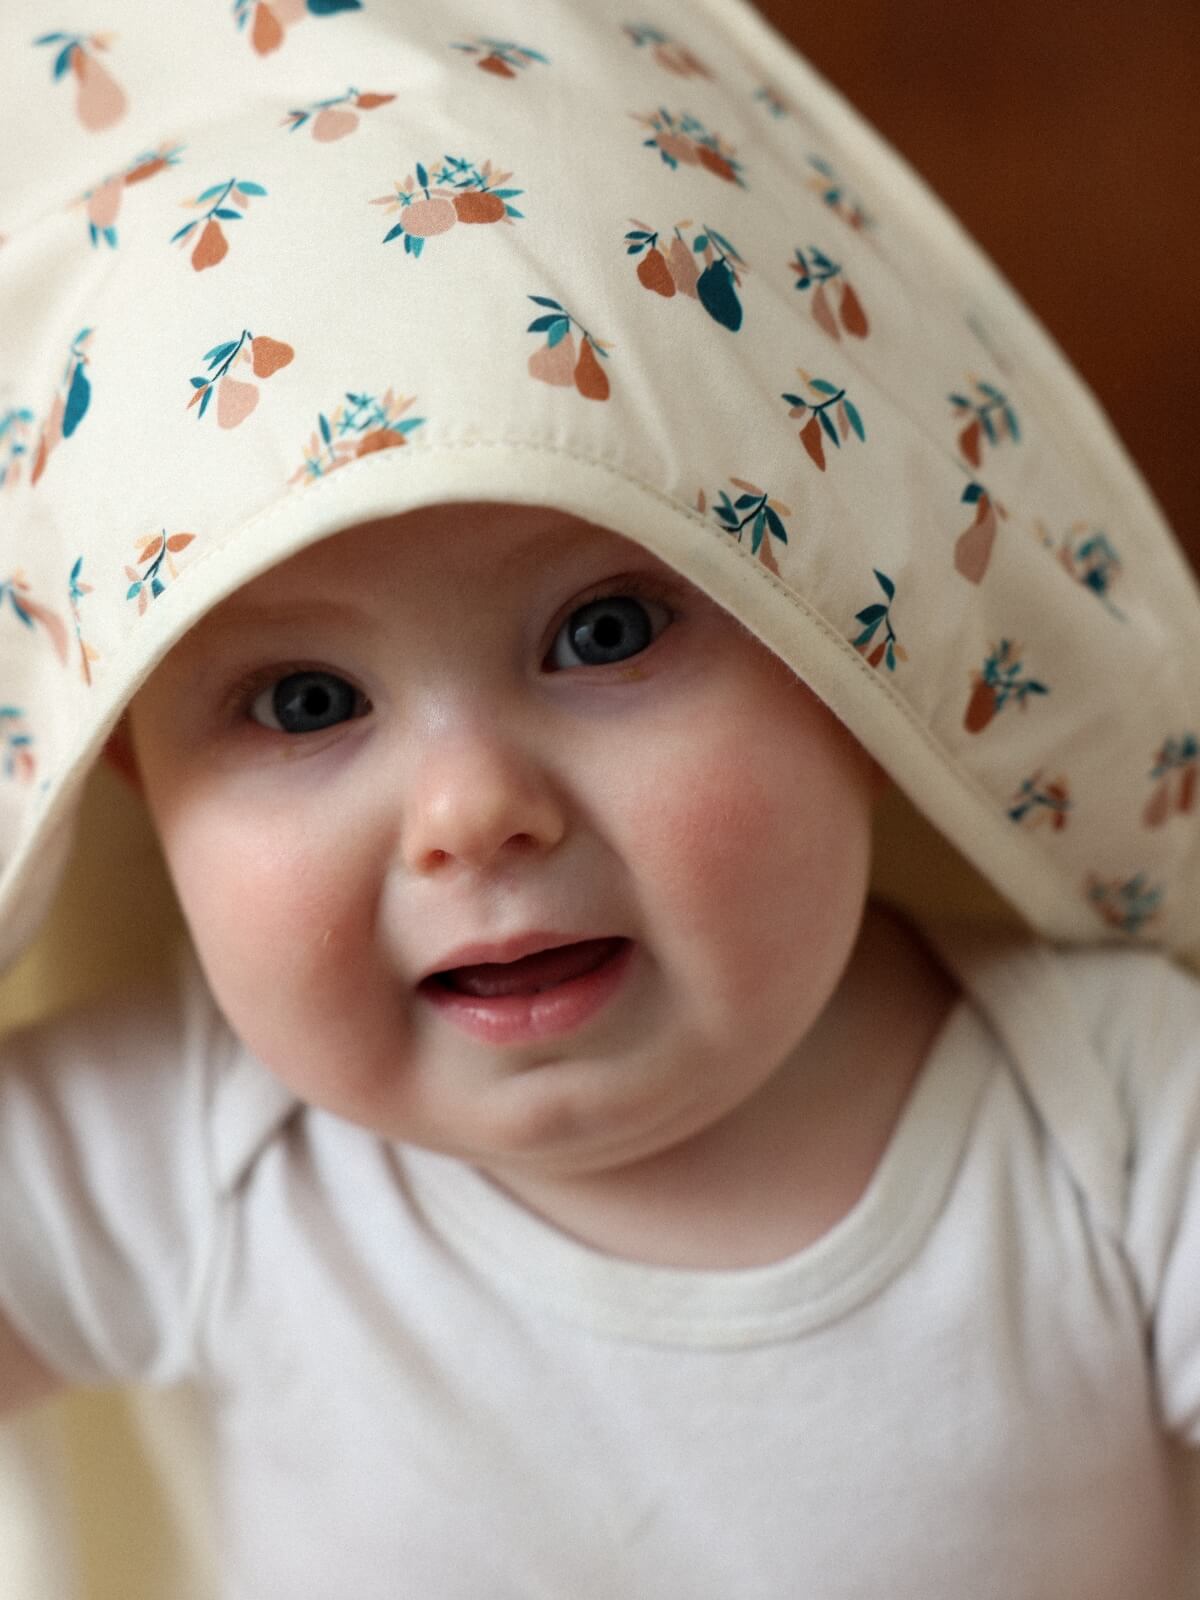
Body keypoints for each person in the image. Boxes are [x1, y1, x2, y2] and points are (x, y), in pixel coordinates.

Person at [1, 0, 1198, 1594]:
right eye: (306, 703)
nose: (472, 811)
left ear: (855, 645)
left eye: (608, 631)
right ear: (135, 778)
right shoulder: (191, 1156)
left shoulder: (1125, 1129)